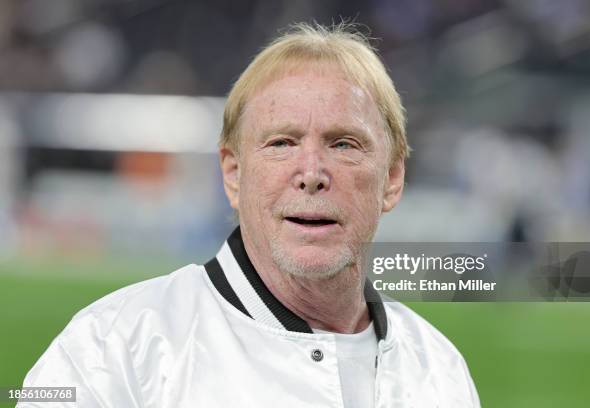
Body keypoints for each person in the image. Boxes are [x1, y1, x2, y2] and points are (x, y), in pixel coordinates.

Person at [18, 23, 480, 407]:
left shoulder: (440, 370)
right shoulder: (112, 348)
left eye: (344, 144)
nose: (312, 173)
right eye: (282, 143)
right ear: (233, 175)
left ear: (393, 178)